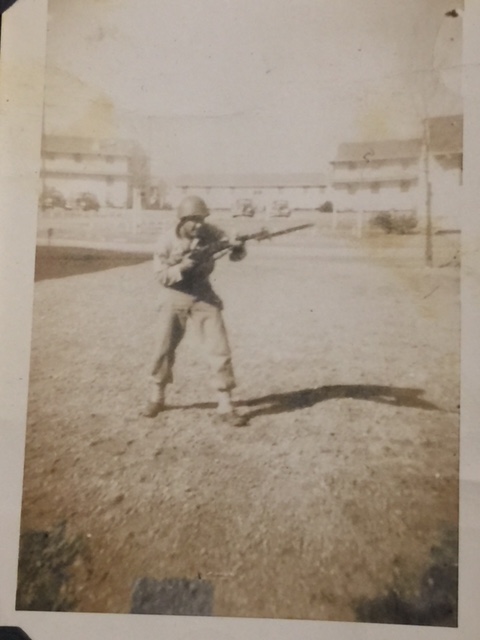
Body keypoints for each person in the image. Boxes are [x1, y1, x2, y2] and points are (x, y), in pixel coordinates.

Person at [142, 195, 248, 427]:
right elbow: (161, 276)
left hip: (203, 292)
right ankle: (156, 397)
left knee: (219, 348)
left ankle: (225, 404)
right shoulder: (166, 241)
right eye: (194, 220)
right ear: (182, 220)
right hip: (174, 294)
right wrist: (182, 267)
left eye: (202, 219)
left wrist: (239, 246)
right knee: (163, 347)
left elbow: (235, 254)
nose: (199, 225)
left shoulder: (212, 232)